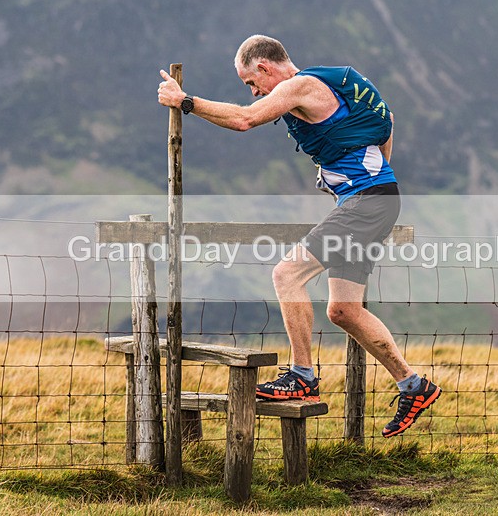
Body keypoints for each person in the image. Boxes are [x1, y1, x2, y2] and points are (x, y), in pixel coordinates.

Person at [157, 34, 441, 437]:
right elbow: (385, 123)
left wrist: (184, 102)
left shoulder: (300, 85)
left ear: (265, 67)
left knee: (286, 275)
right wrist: (370, 179)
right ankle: (414, 385)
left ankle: (302, 375)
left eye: (251, 82)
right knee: (343, 311)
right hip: (372, 200)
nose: (254, 91)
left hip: (366, 203)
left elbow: (244, 119)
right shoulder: (330, 86)